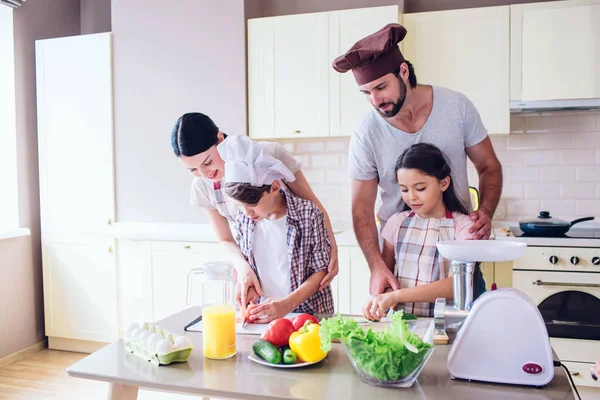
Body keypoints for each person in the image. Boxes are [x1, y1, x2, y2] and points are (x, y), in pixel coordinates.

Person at [332, 23, 503, 296]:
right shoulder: (366, 132)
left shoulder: (456, 107)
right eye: (367, 93)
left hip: (456, 248)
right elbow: (361, 208)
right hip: (398, 260)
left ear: (403, 71)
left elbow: (488, 166)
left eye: (381, 87)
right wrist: (377, 266)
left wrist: (485, 212)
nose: (375, 101)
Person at [171, 113, 338, 308]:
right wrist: (244, 270)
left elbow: (312, 205)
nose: (204, 174)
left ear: (219, 139)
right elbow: (225, 239)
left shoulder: (269, 154)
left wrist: (331, 246)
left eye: (207, 163)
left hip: (299, 280)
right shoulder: (202, 185)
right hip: (258, 273)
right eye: (193, 170)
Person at [218, 135, 334, 322]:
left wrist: (287, 304)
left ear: (274, 187)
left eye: (252, 204)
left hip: (308, 316)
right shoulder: (246, 219)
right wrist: (249, 287)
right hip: (265, 317)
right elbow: (250, 264)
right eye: (240, 206)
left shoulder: (308, 214)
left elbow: (321, 271)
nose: (247, 213)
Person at [363, 143, 483, 320]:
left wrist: (396, 296)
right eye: (404, 189)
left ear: (444, 183)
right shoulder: (396, 223)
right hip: (401, 325)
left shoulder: (464, 227)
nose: (411, 196)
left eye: (420, 188)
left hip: (445, 326)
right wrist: (381, 299)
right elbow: (386, 276)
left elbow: (454, 285)